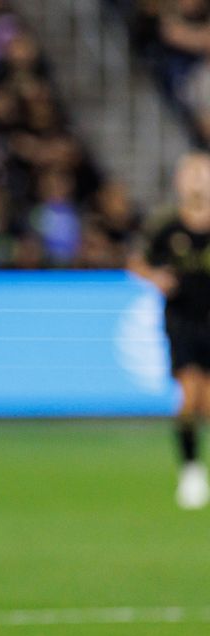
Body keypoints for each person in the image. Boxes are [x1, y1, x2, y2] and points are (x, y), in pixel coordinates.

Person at [129, 151, 210, 509]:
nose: (198, 181)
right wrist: (155, 277)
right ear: (180, 181)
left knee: (206, 401)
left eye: (203, 174)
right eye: (191, 174)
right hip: (182, 319)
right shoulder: (166, 226)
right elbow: (136, 262)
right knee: (189, 392)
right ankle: (191, 472)